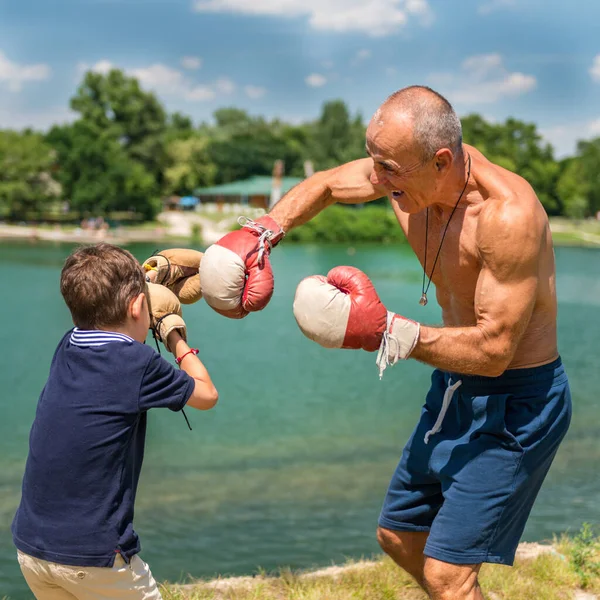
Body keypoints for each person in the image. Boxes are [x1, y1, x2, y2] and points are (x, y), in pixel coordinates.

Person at [189, 85, 572, 600]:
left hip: (519, 400)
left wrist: (388, 331)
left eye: (389, 168)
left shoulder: (507, 217)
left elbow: (496, 349)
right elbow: (326, 185)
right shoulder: (402, 177)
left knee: (447, 575)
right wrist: (263, 230)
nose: (377, 178)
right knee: (399, 534)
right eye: (376, 162)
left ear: (440, 161)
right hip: (456, 385)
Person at [12, 242, 218, 600]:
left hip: (32, 549)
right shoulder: (136, 363)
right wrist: (173, 333)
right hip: (93, 558)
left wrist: (136, 289)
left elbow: (108, 318)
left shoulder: (69, 345)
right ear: (139, 306)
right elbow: (206, 395)